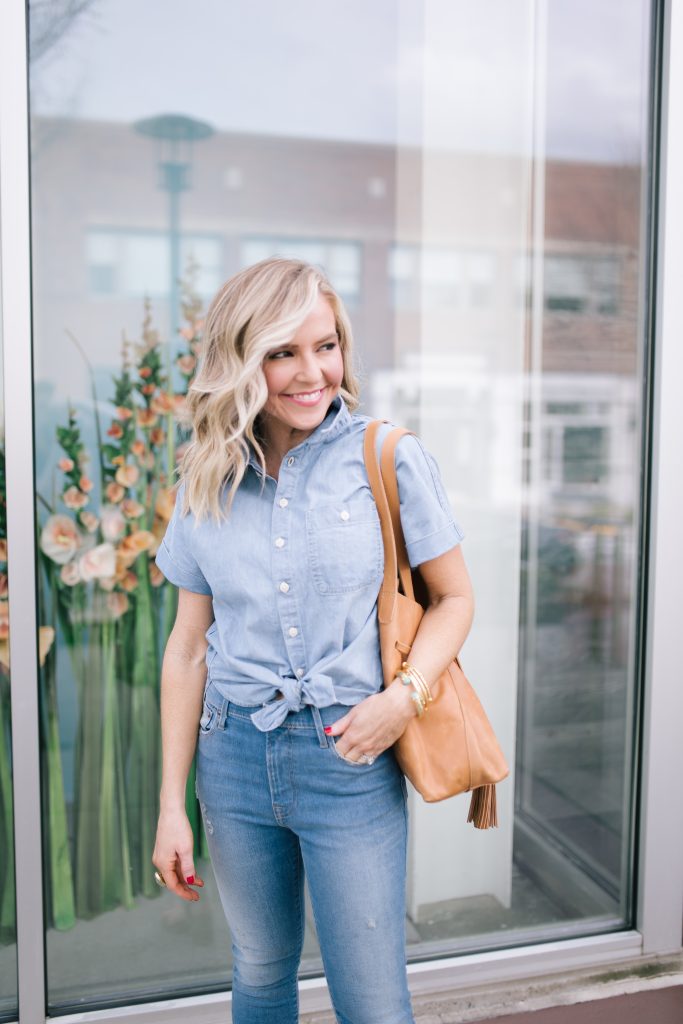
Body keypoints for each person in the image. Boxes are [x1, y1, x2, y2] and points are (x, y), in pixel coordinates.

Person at [152, 256, 474, 1024]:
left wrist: (403, 701)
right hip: (231, 759)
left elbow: (455, 599)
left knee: (368, 998)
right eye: (282, 352)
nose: (311, 373)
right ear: (240, 361)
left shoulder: (387, 456)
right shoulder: (204, 477)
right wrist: (171, 805)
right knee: (259, 970)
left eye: (324, 346)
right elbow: (187, 647)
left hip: (349, 758)